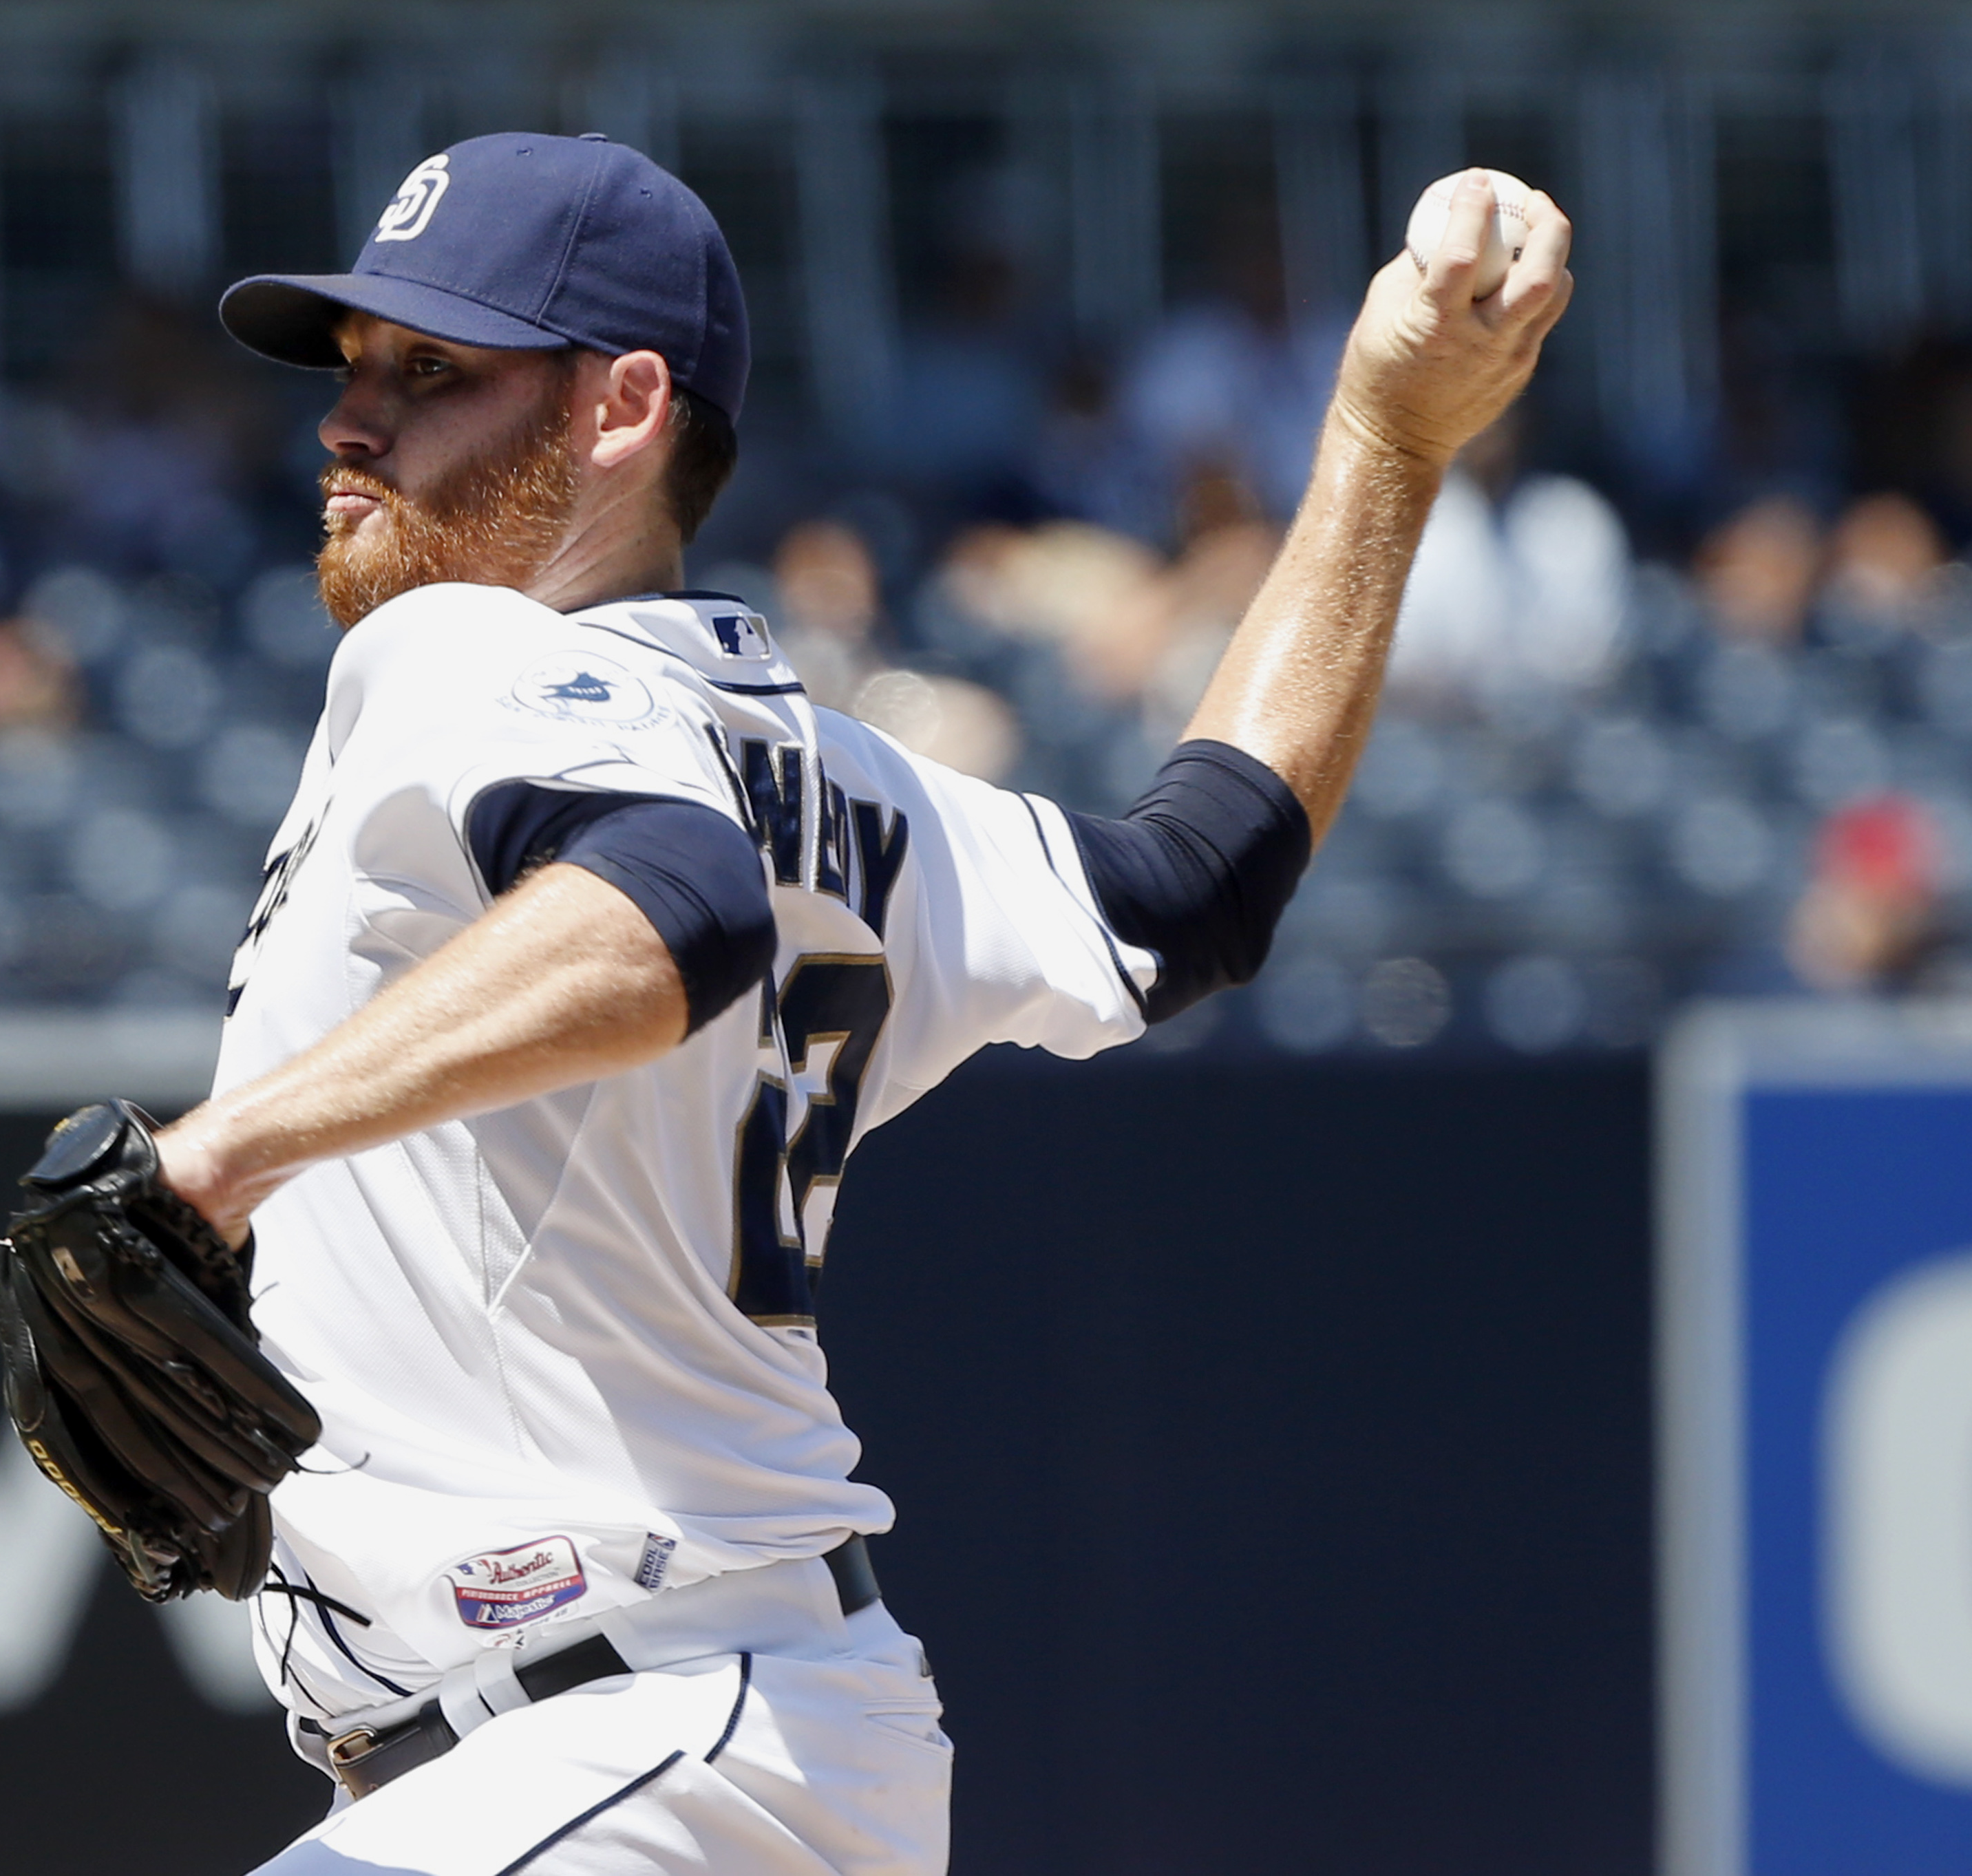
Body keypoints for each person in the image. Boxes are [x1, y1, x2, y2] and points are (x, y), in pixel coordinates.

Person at [138, 138, 1567, 1874]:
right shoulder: (842, 774)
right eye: (352, 368)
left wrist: (212, 1161)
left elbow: (664, 914)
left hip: (628, 1733)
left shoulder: (462, 651)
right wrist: (1385, 445)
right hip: (740, 1733)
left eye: (431, 374)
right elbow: (1195, 880)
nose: (349, 423)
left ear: (622, 406)